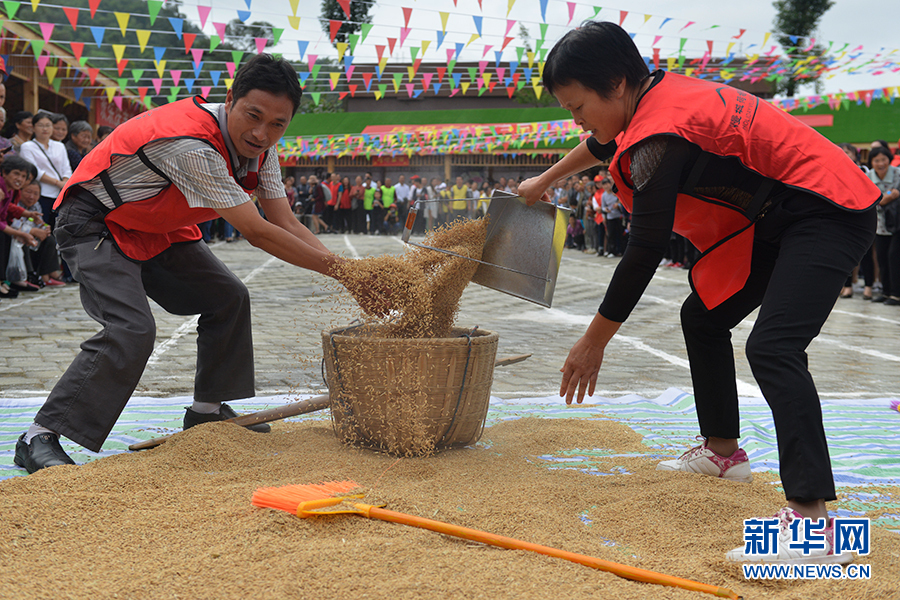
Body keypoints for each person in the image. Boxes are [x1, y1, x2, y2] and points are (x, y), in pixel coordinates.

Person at [518, 21, 880, 565]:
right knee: (703, 317)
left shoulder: (659, 135)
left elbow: (642, 252)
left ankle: (813, 524)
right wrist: (542, 183)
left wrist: (593, 342)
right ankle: (723, 453)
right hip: (777, 217)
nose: (576, 119)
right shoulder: (650, 97)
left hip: (828, 208)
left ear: (616, 83)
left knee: (774, 348)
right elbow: (598, 141)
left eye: (576, 106)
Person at [14, 54, 388, 474]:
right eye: (254, 116)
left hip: (156, 225)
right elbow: (258, 232)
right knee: (132, 329)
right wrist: (348, 274)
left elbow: (283, 219)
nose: (262, 133)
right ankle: (39, 435)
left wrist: (347, 271)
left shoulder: (264, 149)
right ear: (230, 99)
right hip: (95, 222)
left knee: (227, 296)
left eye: (277, 124)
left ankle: (206, 411)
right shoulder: (192, 144)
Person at [19, 110, 72, 230]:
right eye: (41, 125)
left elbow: (66, 168)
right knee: (42, 225)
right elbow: (34, 171)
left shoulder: (60, 146)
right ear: (33, 128)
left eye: (48, 125)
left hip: (59, 194)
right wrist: (58, 183)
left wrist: (64, 181)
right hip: (41, 192)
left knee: (58, 228)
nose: (45, 129)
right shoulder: (27, 147)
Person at [867, 146, 900, 305]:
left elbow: (895, 193)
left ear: (889, 159)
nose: (881, 163)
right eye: (876, 160)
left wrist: (881, 199)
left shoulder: (897, 173)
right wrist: (886, 198)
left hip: (897, 223)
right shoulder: (868, 177)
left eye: (883, 159)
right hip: (879, 224)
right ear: (871, 162)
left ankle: (896, 294)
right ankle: (886, 292)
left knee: (894, 257)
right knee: (882, 258)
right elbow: (870, 200)